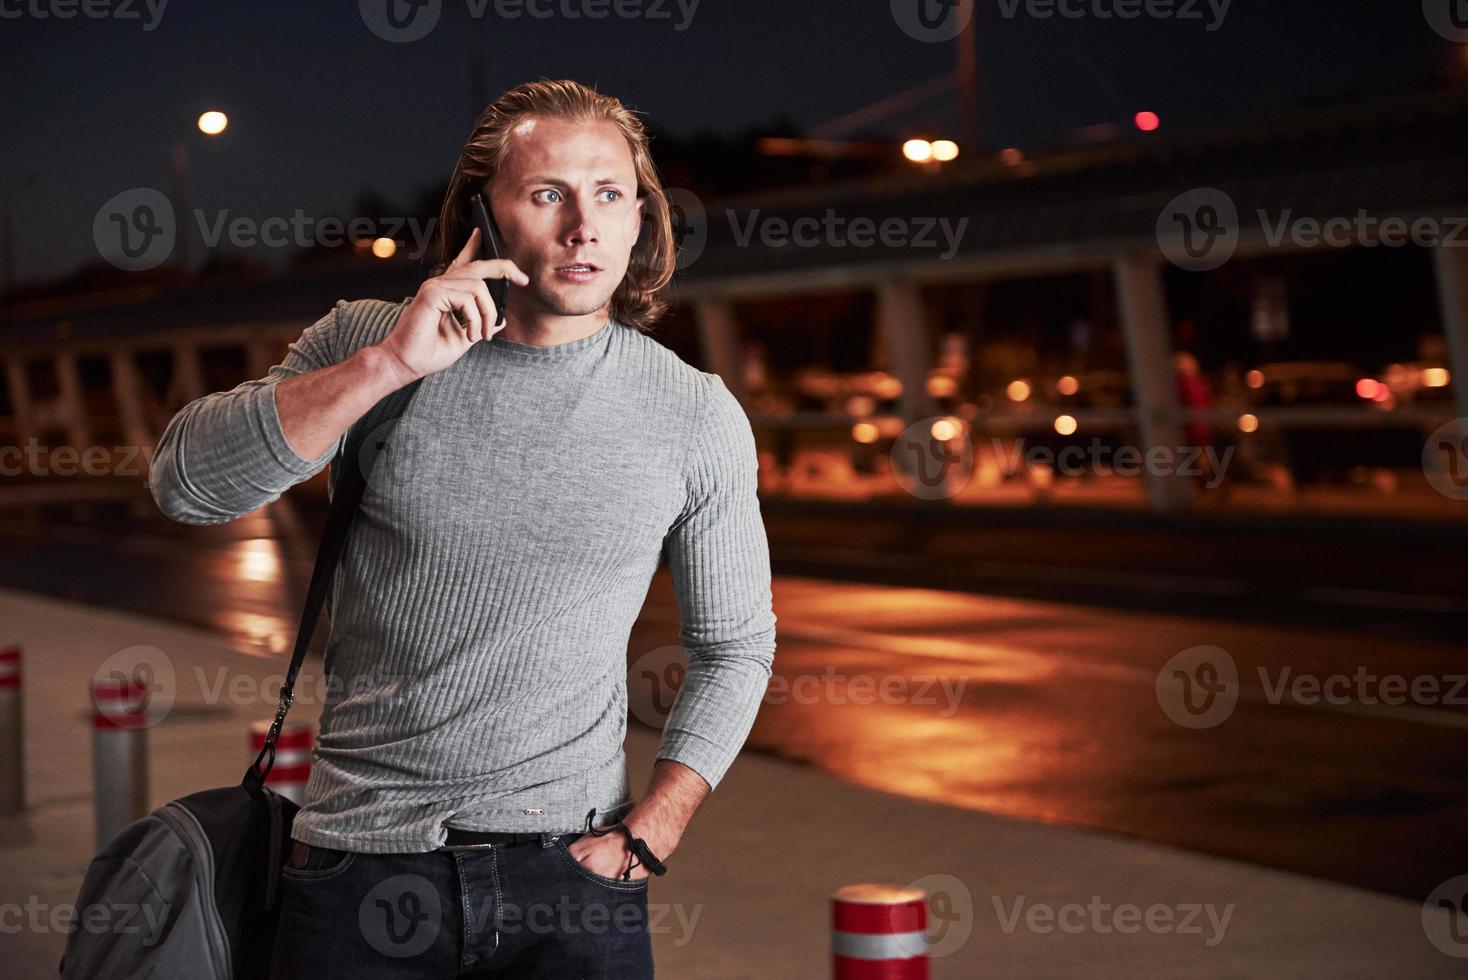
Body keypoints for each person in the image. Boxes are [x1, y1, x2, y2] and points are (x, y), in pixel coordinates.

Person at [149, 79, 777, 978]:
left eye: (610, 195)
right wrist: (390, 364)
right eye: (547, 193)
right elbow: (186, 487)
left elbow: (737, 646)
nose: (583, 227)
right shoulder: (368, 341)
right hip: (357, 869)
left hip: (571, 881)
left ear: (642, 220)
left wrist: (649, 833)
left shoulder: (693, 413)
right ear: (482, 213)